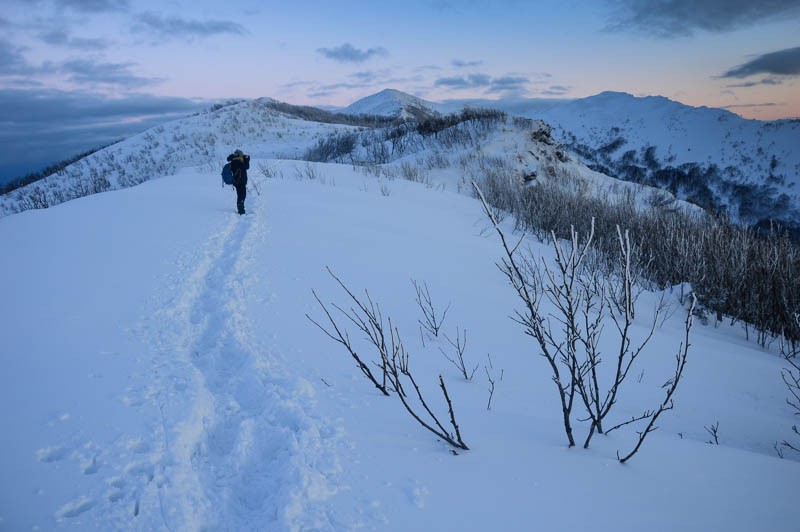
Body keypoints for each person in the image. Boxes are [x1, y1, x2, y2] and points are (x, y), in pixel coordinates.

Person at [227, 149, 250, 215]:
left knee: (240, 195)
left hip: (237, 181)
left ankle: (240, 209)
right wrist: (247, 159)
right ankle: (241, 211)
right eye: (241, 154)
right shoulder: (238, 161)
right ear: (239, 155)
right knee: (242, 195)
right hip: (240, 181)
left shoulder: (234, 160)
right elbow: (246, 167)